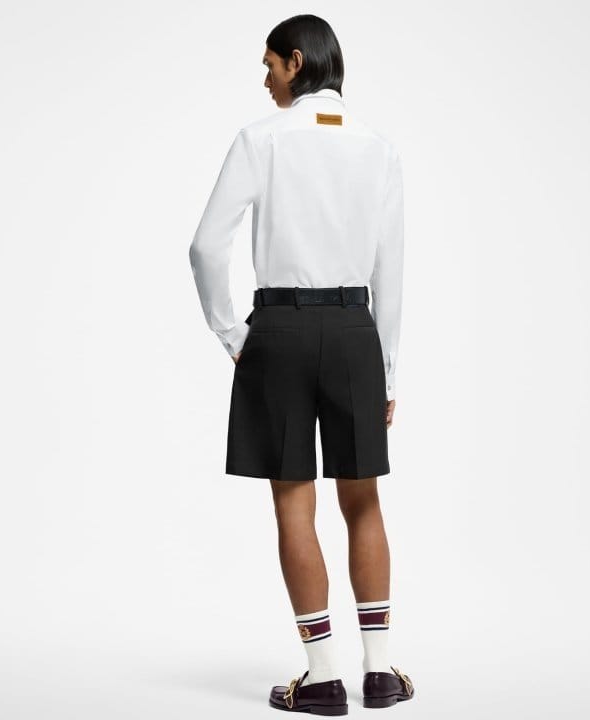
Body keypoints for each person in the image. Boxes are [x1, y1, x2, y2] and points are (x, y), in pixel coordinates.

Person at [188, 14, 414, 715]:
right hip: (354, 329)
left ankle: (321, 679)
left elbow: (205, 247)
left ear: (296, 61)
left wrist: (233, 335)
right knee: (362, 498)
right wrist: (388, 371)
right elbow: (390, 270)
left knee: (294, 500)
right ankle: (380, 673)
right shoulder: (379, 148)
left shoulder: (261, 138)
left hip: (279, 330)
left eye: (268, 66)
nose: (265, 80)